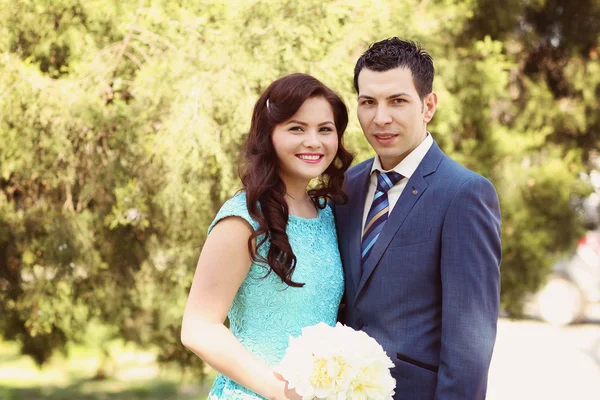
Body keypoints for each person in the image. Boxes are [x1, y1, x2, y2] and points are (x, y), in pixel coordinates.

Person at [333, 38, 502, 400]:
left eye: (397, 101)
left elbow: (469, 348)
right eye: (368, 102)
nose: (381, 117)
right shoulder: (345, 188)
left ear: (428, 106)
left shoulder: (465, 194)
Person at [181, 73, 353, 400]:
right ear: (269, 135)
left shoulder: (330, 215)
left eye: (325, 129)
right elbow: (198, 329)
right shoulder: (243, 218)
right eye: (296, 128)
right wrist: (281, 391)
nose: (313, 142)